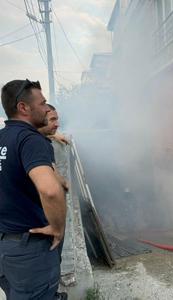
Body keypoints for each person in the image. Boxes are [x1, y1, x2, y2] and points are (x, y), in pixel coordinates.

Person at [0, 79, 67, 300]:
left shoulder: (3, 137)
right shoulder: (31, 141)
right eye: (43, 103)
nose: (47, 108)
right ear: (23, 108)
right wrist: (57, 228)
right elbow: (50, 191)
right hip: (29, 251)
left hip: (6, 248)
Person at [39, 104, 69, 191]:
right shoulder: (36, 143)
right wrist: (65, 185)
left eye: (56, 119)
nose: (57, 124)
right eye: (52, 120)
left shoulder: (56, 137)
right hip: (52, 193)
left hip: (61, 192)